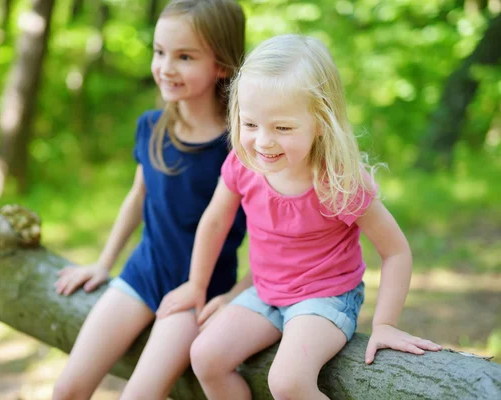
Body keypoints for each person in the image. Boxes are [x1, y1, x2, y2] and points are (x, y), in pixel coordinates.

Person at [156, 34, 443, 400]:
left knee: (288, 382)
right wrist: (197, 285)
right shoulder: (243, 166)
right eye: (251, 124)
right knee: (205, 356)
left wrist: (385, 324)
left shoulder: (339, 180)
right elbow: (214, 221)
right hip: (265, 292)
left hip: (325, 297)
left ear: (321, 122)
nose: (263, 142)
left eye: (283, 128)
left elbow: (396, 251)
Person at [52, 1, 247, 399]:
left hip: (198, 292)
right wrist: (104, 262)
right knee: (67, 390)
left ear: (222, 66)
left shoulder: (241, 148)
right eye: (159, 52)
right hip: (141, 275)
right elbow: (138, 195)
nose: (166, 67)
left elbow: (269, 237)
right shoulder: (153, 127)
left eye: (185, 56)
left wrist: (233, 297)